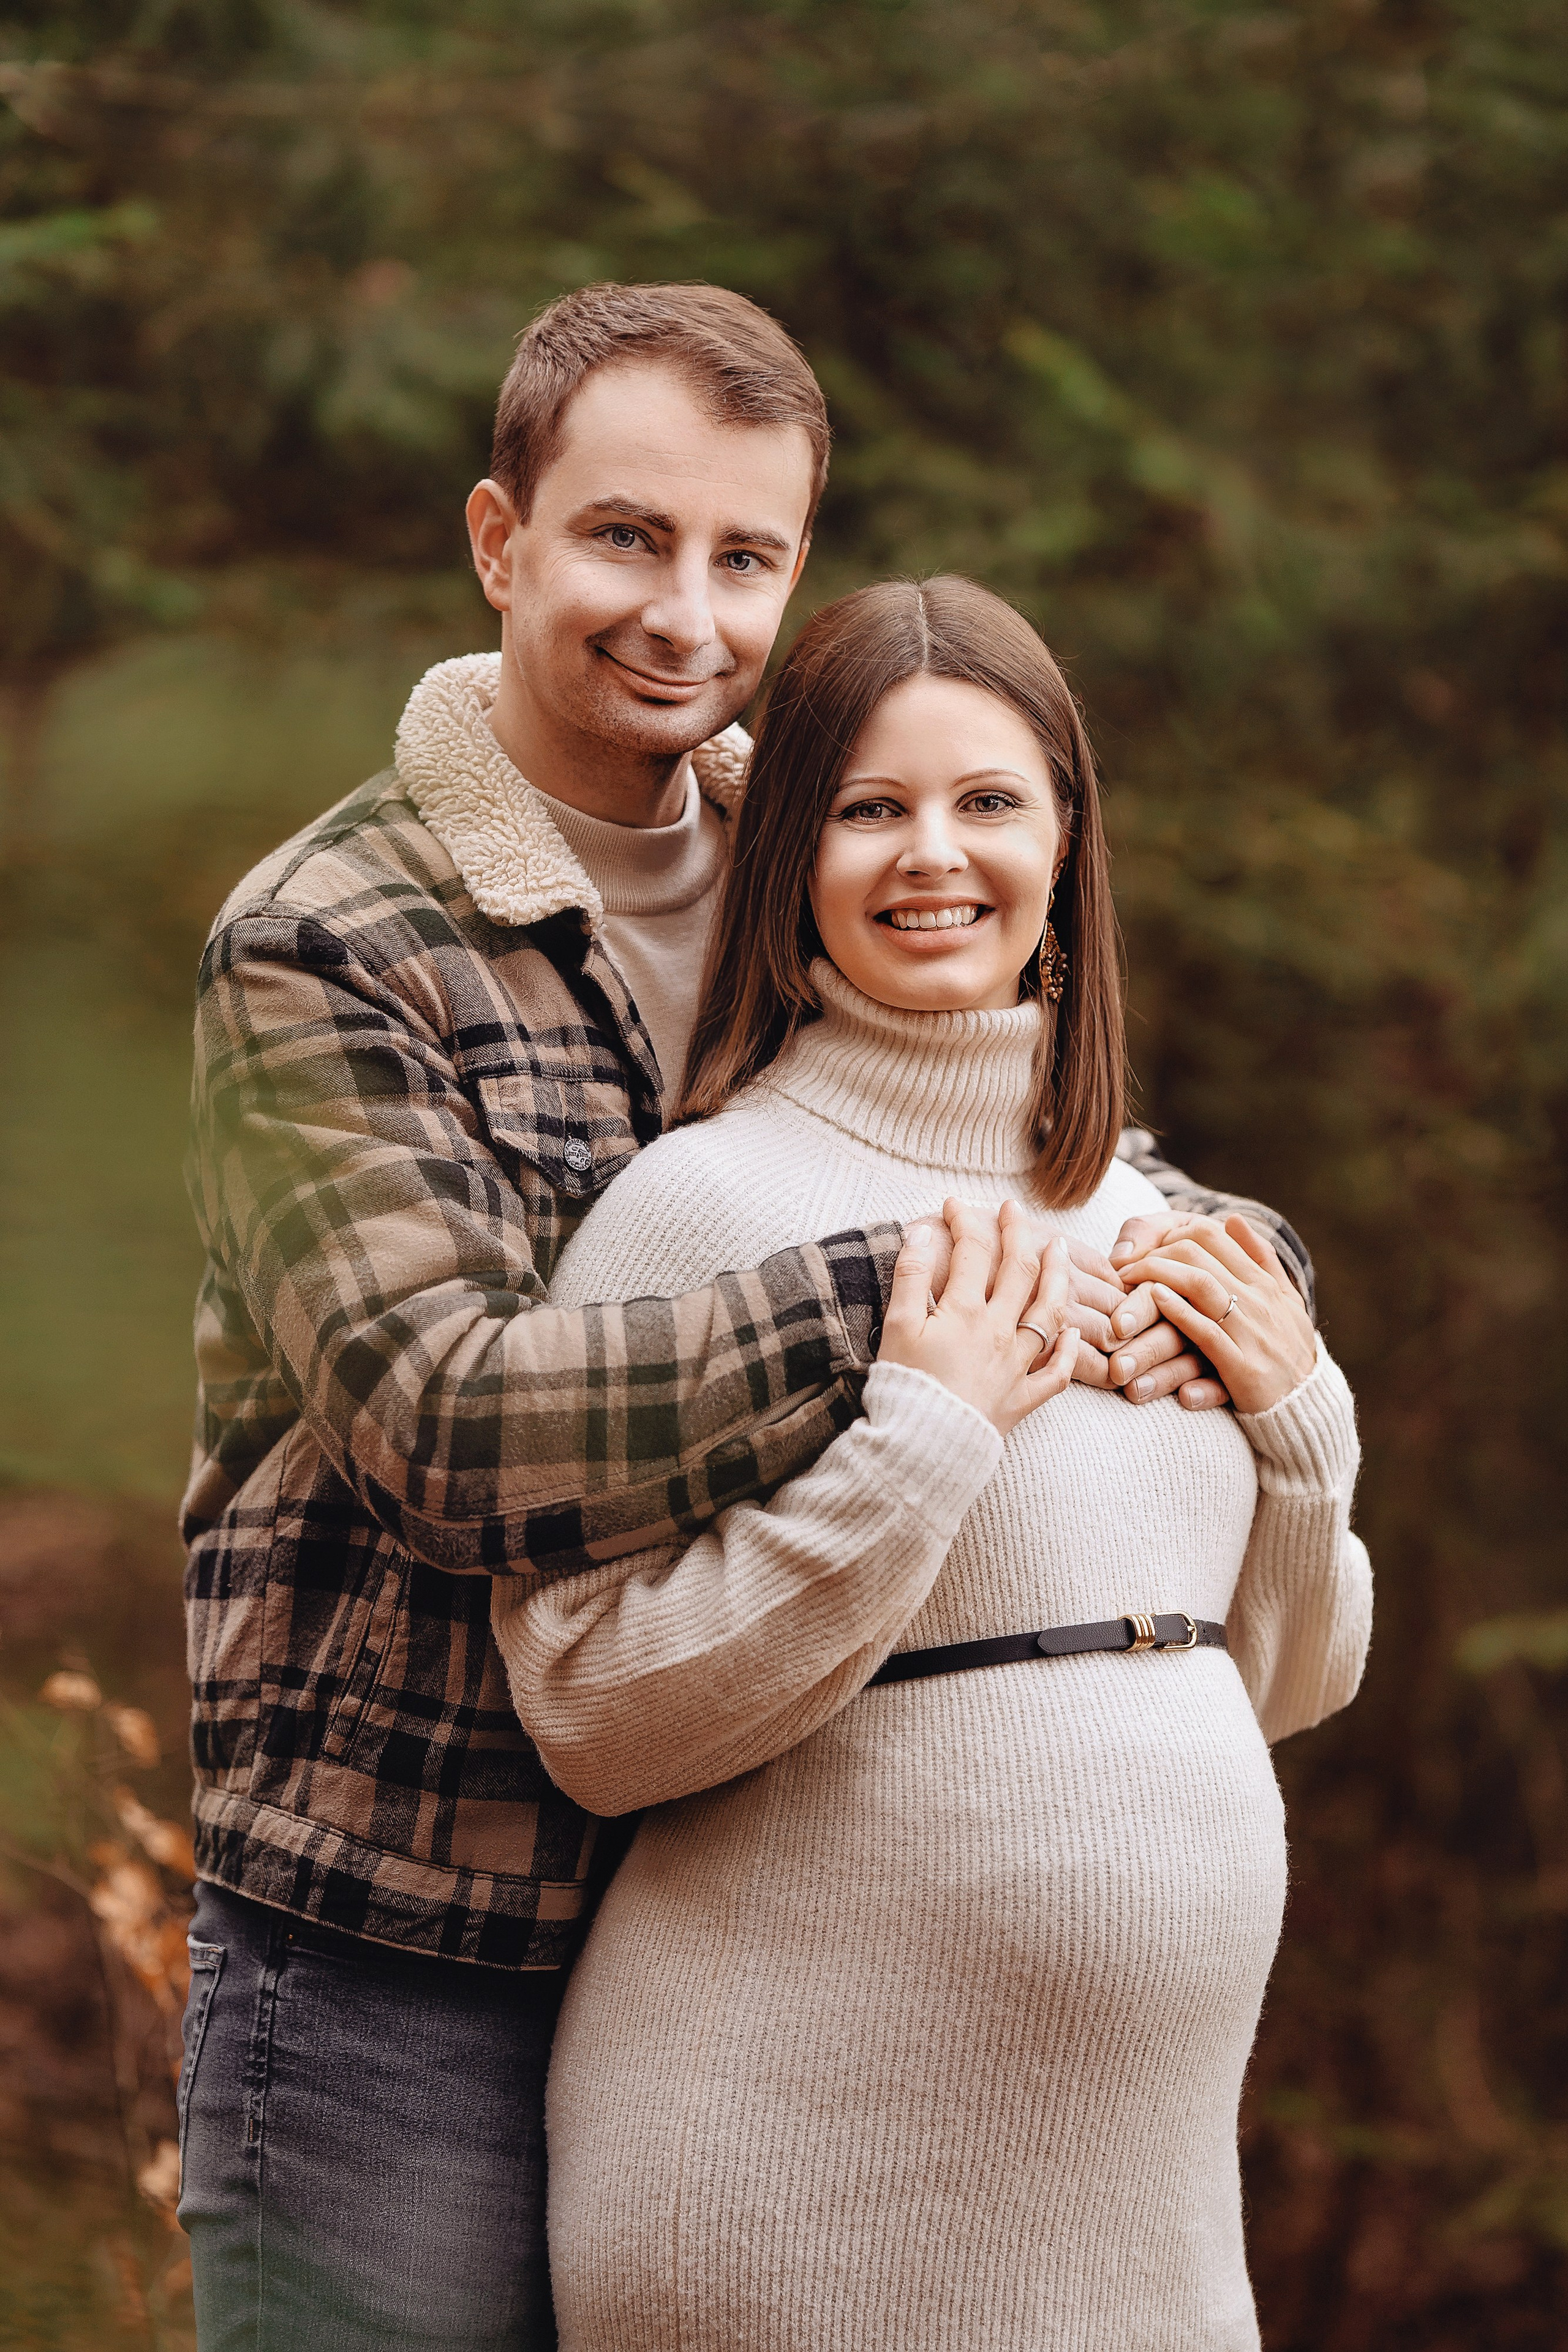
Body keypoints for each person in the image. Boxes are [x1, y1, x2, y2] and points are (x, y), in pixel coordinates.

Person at [176, 283, 1316, 2350]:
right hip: (399, 1939)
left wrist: (1228, 1296)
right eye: (625, 536)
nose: (683, 614)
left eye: (746, 556)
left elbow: (1015, 1123)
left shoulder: (805, 845)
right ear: (500, 538)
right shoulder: (331, 942)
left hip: (720, 1896)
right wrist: (911, 1307)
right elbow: (441, 1418)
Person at [492, 575, 1372, 2352]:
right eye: (869, 809)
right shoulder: (704, 1207)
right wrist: (927, 1441)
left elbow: (1282, 1680)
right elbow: (589, 1709)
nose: (933, 857)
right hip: (791, 2179)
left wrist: (1301, 1431)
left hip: (1141, 2212)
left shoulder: (1159, 1222)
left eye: (988, 802)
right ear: (792, 852)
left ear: (1067, 841)